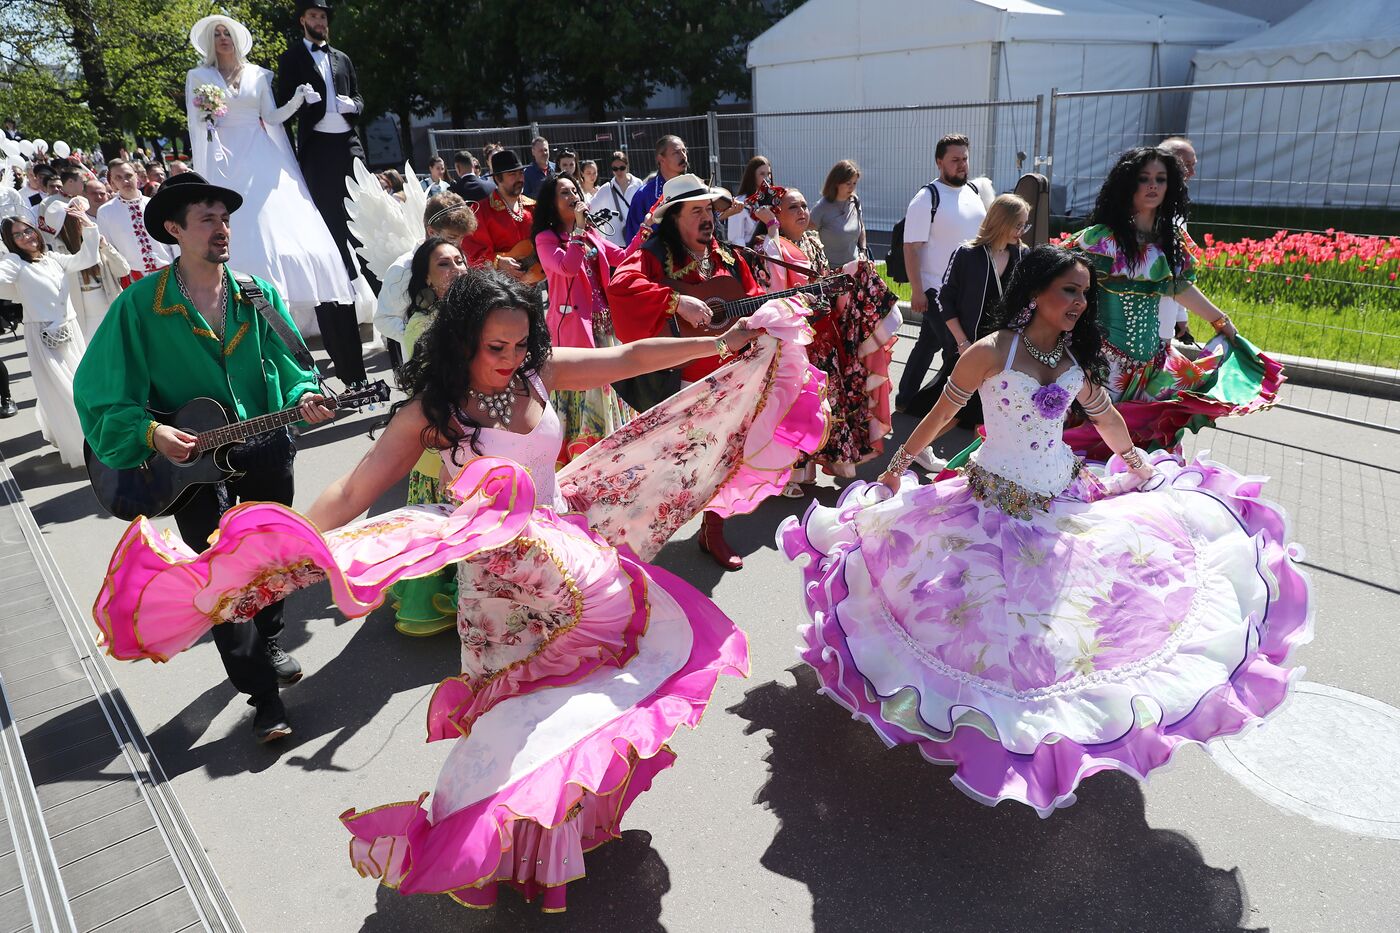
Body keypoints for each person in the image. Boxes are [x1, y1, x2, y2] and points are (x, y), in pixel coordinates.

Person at [89, 264, 834, 911]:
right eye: (494, 348)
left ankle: (552, 847)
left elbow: (628, 355)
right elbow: (351, 490)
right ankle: (488, 843)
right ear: (461, 344)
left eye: (519, 344)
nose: (509, 361)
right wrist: (281, 545)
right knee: (517, 718)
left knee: (580, 706)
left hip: (568, 560)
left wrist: (719, 343)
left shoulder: (540, 375)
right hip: (501, 589)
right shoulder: (433, 414)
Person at [779, 244, 1312, 817]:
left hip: (1064, 500)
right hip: (993, 507)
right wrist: (896, 467)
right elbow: (939, 414)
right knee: (988, 622)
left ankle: (1059, 733)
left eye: (1085, 293)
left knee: (1076, 619)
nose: (1081, 303)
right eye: (1069, 291)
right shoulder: (989, 352)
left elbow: (1105, 416)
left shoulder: (1074, 360)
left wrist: (1136, 466)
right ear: (1035, 293)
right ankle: (996, 732)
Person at [74, 171, 335, 743]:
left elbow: (293, 371)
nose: (222, 229)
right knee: (223, 576)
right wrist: (150, 433)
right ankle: (262, 696)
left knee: (270, 560)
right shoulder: (141, 304)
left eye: (225, 218)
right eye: (207, 220)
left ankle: (270, 632)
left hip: (265, 449)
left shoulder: (255, 293)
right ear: (175, 229)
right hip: (190, 469)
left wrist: (305, 398)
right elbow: (98, 391)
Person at [185, 13, 365, 388]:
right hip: (225, 161)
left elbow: (272, 117)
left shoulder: (260, 76)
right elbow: (198, 125)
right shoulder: (199, 78)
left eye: (227, 32)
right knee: (244, 240)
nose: (222, 38)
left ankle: (305, 342)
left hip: (262, 160)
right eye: (216, 33)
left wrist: (298, 99)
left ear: (237, 37)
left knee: (286, 238)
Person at [1066, 146, 1280, 457]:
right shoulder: (1100, 240)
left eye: (1160, 179)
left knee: (1154, 441)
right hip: (1103, 364)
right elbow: (1068, 290)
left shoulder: (1170, 240)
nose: (1153, 186)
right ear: (1128, 184)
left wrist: (1222, 322)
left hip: (1155, 362)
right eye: (1144, 178)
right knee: (1097, 441)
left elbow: (1179, 288)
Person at [608, 173, 763, 570]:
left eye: (709, 208)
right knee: (663, 466)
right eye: (696, 210)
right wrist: (676, 302)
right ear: (674, 217)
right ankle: (630, 543)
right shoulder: (653, 253)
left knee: (722, 459)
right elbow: (622, 286)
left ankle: (713, 531)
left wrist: (769, 315)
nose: (707, 216)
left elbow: (753, 297)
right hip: (678, 384)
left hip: (730, 379)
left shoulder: (728, 255)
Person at [761, 187, 900, 491]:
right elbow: (774, 295)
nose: (801, 212)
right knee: (796, 407)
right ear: (777, 216)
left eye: (803, 206)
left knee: (826, 406)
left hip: (824, 337)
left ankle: (810, 468)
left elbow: (822, 279)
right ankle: (789, 476)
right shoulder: (770, 248)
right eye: (792, 208)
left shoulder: (812, 241)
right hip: (795, 340)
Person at [276, 0, 370, 389]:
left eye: (324, 18)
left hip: (347, 143)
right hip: (316, 150)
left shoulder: (343, 59)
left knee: (365, 222)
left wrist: (354, 106)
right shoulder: (291, 58)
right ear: (303, 21)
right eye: (313, 17)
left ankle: (369, 282)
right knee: (329, 237)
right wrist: (300, 101)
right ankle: (341, 286)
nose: (320, 22)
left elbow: (361, 98)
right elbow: (280, 105)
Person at [533, 174, 634, 467]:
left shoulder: (590, 233)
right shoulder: (546, 239)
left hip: (605, 326)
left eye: (575, 190)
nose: (573, 195)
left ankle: (611, 448)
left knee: (609, 385)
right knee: (586, 390)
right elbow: (566, 267)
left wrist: (648, 228)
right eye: (565, 192)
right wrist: (578, 230)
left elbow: (623, 256)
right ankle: (581, 455)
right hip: (575, 329)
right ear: (552, 205)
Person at [905, 193, 1030, 430]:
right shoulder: (967, 254)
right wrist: (961, 342)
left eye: (1025, 224)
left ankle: (964, 460)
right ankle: (915, 452)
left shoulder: (1023, 255)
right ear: (1002, 221)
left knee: (988, 411)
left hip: (1004, 347)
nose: (1022, 231)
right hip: (970, 343)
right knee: (953, 409)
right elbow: (944, 298)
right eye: (1018, 224)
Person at [894, 133, 988, 412]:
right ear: (939, 162)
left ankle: (905, 398)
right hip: (936, 290)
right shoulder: (926, 198)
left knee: (927, 344)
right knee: (953, 349)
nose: (962, 165)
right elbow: (911, 249)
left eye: (965, 159)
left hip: (965, 289)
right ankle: (945, 408)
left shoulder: (972, 191)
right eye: (955, 160)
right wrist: (918, 290)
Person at [1, 206, 98, 466]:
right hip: (44, 337)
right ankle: (84, 444)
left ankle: (84, 436)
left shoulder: (53, 258)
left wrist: (88, 225)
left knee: (82, 384)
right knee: (67, 391)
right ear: (11, 241)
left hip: (71, 331)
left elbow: (86, 258)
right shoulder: (14, 263)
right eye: (17, 235)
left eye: (27, 230)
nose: (25, 237)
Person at [373, 192, 476, 369]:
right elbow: (384, 318)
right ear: (431, 231)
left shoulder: (457, 258)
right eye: (452, 237)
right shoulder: (403, 269)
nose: (458, 245)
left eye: (461, 238)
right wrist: (420, 333)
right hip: (426, 363)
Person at [47, 196, 129, 339]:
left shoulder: (97, 243)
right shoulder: (57, 251)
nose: (85, 221)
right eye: (79, 219)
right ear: (68, 225)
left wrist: (105, 247)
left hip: (111, 307)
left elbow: (123, 270)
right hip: (83, 318)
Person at [96, 158, 175, 286]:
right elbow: (109, 250)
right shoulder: (105, 212)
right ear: (112, 182)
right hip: (134, 278)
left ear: (136, 177)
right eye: (118, 177)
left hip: (168, 272)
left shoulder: (155, 204)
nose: (125, 181)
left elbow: (174, 240)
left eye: (128, 175)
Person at [461, 149, 535, 280]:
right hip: (501, 287)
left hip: (533, 281)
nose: (520, 178)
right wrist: (498, 261)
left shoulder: (533, 206)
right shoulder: (480, 212)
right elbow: (473, 251)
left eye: (521, 173)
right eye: (513, 174)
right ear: (497, 178)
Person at [1156, 136, 1198, 344]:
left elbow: (1178, 266)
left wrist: (1180, 316)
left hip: (1167, 310)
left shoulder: (1177, 204)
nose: (1192, 173)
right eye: (1186, 166)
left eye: (1193, 165)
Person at [622, 135, 688, 243]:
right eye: (676, 152)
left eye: (684, 151)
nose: (683, 156)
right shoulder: (643, 196)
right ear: (661, 158)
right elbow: (633, 241)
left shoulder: (694, 188)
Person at [809, 159, 867, 266]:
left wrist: (863, 250)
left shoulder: (855, 201)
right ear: (836, 183)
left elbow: (861, 227)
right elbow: (806, 235)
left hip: (855, 268)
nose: (852, 187)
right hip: (831, 272)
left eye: (854, 183)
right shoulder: (822, 207)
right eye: (848, 183)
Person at [592, 149, 642, 248]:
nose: (619, 171)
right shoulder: (606, 188)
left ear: (627, 166)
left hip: (636, 239)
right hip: (615, 243)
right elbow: (591, 208)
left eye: (622, 168)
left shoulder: (638, 184)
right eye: (615, 169)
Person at [727, 155, 773, 248]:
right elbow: (735, 238)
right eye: (762, 174)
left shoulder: (774, 200)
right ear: (752, 176)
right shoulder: (740, 202)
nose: (767, 178)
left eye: (768, 174)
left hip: (771, 251)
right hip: (750, 254)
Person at [523, 135, 554, 199]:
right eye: (540, 151)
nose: (544, 153)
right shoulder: (527, 174)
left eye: (546, 150)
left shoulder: (557, 168)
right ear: (533, 152)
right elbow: (525, 198)